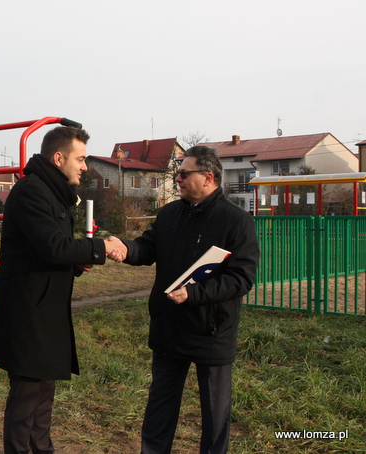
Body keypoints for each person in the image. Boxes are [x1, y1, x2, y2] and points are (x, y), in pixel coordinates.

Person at [107, 146, 259, 454]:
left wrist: (194, 293)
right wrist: (123, 248)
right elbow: (147, 248)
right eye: (177, 172)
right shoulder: (170, 213)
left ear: (208, 177)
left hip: (211, 333)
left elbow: (241, 278)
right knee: (159, 408)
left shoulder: (236, 221)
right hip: (169, 329)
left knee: (215, 416)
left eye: (183, 173)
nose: (177, 178)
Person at [0, 125, 125, 454]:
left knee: (41, 399)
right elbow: (52, 246)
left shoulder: (51, 192)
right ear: (58, 157)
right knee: (26, 403)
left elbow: (46, 249)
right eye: (80, 159)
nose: (85, 166)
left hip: (43, 312)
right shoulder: (33, 191)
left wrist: (75, 263)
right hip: (28, 314)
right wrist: (99, 249)